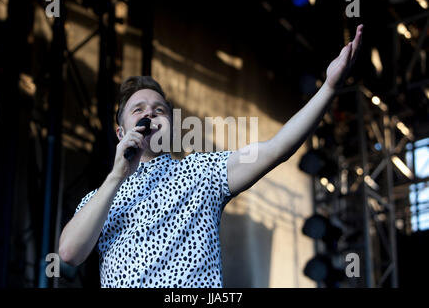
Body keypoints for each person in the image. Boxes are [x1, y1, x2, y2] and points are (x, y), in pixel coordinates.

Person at [59, 25, 363, 288]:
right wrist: (116, 177)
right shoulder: (100, 199)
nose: (150, 112)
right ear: (119, 132)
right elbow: (70, 253)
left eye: (159, 109)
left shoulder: (202, 172)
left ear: (171, 126)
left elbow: (276, 148)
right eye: (138, 110)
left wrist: (329, 88)